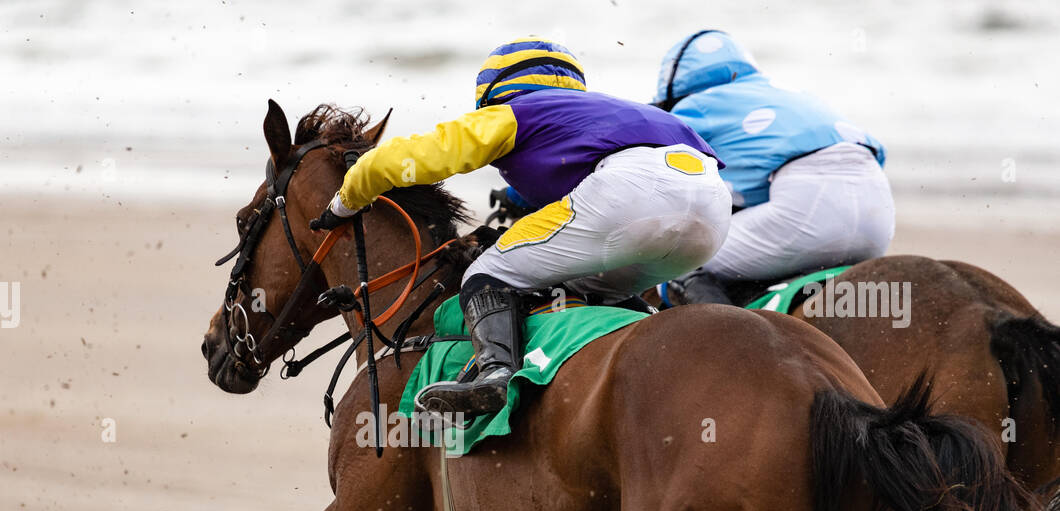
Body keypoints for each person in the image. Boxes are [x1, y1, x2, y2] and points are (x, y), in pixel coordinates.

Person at [314, 37, 731, 417]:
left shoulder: (516, 111)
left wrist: (343, 202)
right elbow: (594, 166)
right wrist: (515, 199)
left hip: (629, 197)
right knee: (599, 290)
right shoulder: (613, 110)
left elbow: (410, 158)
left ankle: (495, 375)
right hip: (712, 211)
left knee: (487, 274)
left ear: (495, 93)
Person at [654, 29, 895, 306]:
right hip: (879, 218)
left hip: (807, 208)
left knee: (678, 259)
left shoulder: (696, 105)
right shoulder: (791, 93)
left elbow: (659, 171)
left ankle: (732, 338)